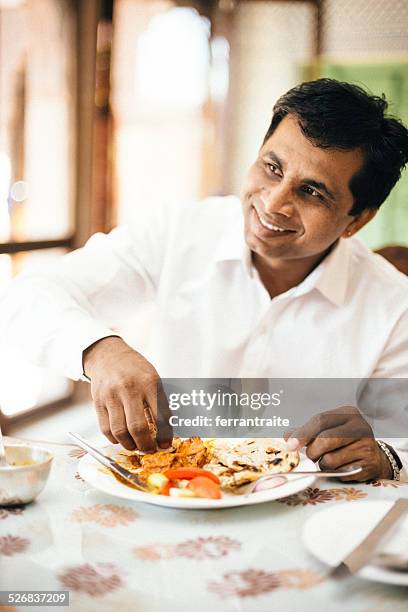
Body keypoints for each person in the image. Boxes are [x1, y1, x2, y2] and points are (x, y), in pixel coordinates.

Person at [2, 79, 408, 482]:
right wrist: (99, 349)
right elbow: (26, 295)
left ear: (357, 219)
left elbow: (399, 443)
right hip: (163, 497)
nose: (273, 203)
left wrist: (385, 455)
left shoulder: (394, 305)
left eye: (312, 193)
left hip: (307, 523)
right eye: (272, 168)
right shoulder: (179, 232)